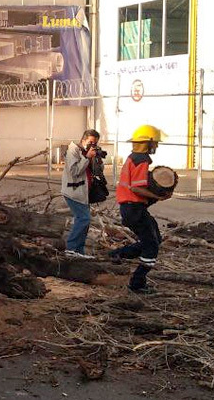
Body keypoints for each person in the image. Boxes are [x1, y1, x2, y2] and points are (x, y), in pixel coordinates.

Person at [110, 125, 170, 293]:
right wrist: (157, 196)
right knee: (152, 247)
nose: (156, 146)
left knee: (155, 239)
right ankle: (137, 283)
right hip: (133, 209)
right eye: (155, 143)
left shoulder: (133, 157)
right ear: (147, 143)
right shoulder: (141, 160)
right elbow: (136, 188)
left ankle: (118, 254)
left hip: (132, 209)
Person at [62, 129, 102, 258]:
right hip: (73, 192)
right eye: (90, 142)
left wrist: (96, 159)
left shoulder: (87, 153)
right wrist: (87, 158)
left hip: (83, 193)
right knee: (83, 219)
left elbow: (96, 171)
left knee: (85, 221)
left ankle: (79, 251)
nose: (92, 145)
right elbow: (74, 171)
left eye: (94, 143)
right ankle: (71, 248)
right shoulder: (73, 151)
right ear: (83, 140)